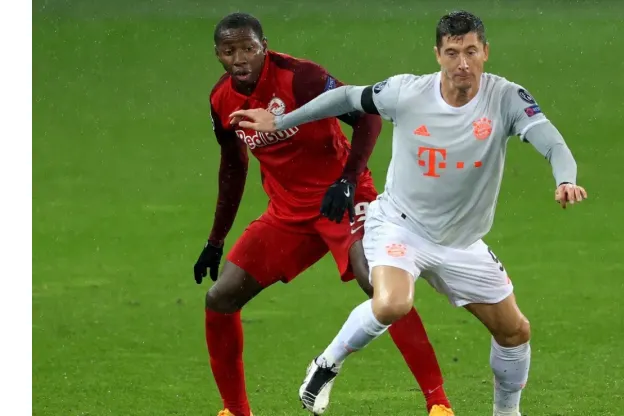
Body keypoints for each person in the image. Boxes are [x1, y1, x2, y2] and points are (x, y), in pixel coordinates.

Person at [228, 9, 589, 416]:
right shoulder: (407, 92)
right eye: (453, 52)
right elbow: (347, 98)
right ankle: (326, 365)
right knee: (392, 303)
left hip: (462, 243)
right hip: (401, 226)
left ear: (486, 52)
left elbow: (552, 142)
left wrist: (564, 178)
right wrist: (280, 120)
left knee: (515, 331)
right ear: (437, 54)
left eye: (471, 51)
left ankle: (507, 413)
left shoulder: (504, 97)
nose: (462, 63)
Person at [196, 12, 453, 416]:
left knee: (381, 287)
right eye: (230, 51)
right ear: (218, 55)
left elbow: (366, 116)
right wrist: (215, 240)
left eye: (248, 48)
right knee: (221, 297)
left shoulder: (301, 78)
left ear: (264, 46)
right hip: (287, 214)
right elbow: (233, 168)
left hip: (343, 199)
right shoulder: (221, 99)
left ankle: (438, 403)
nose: (240, 58)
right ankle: (234, 410)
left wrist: (348, 179)